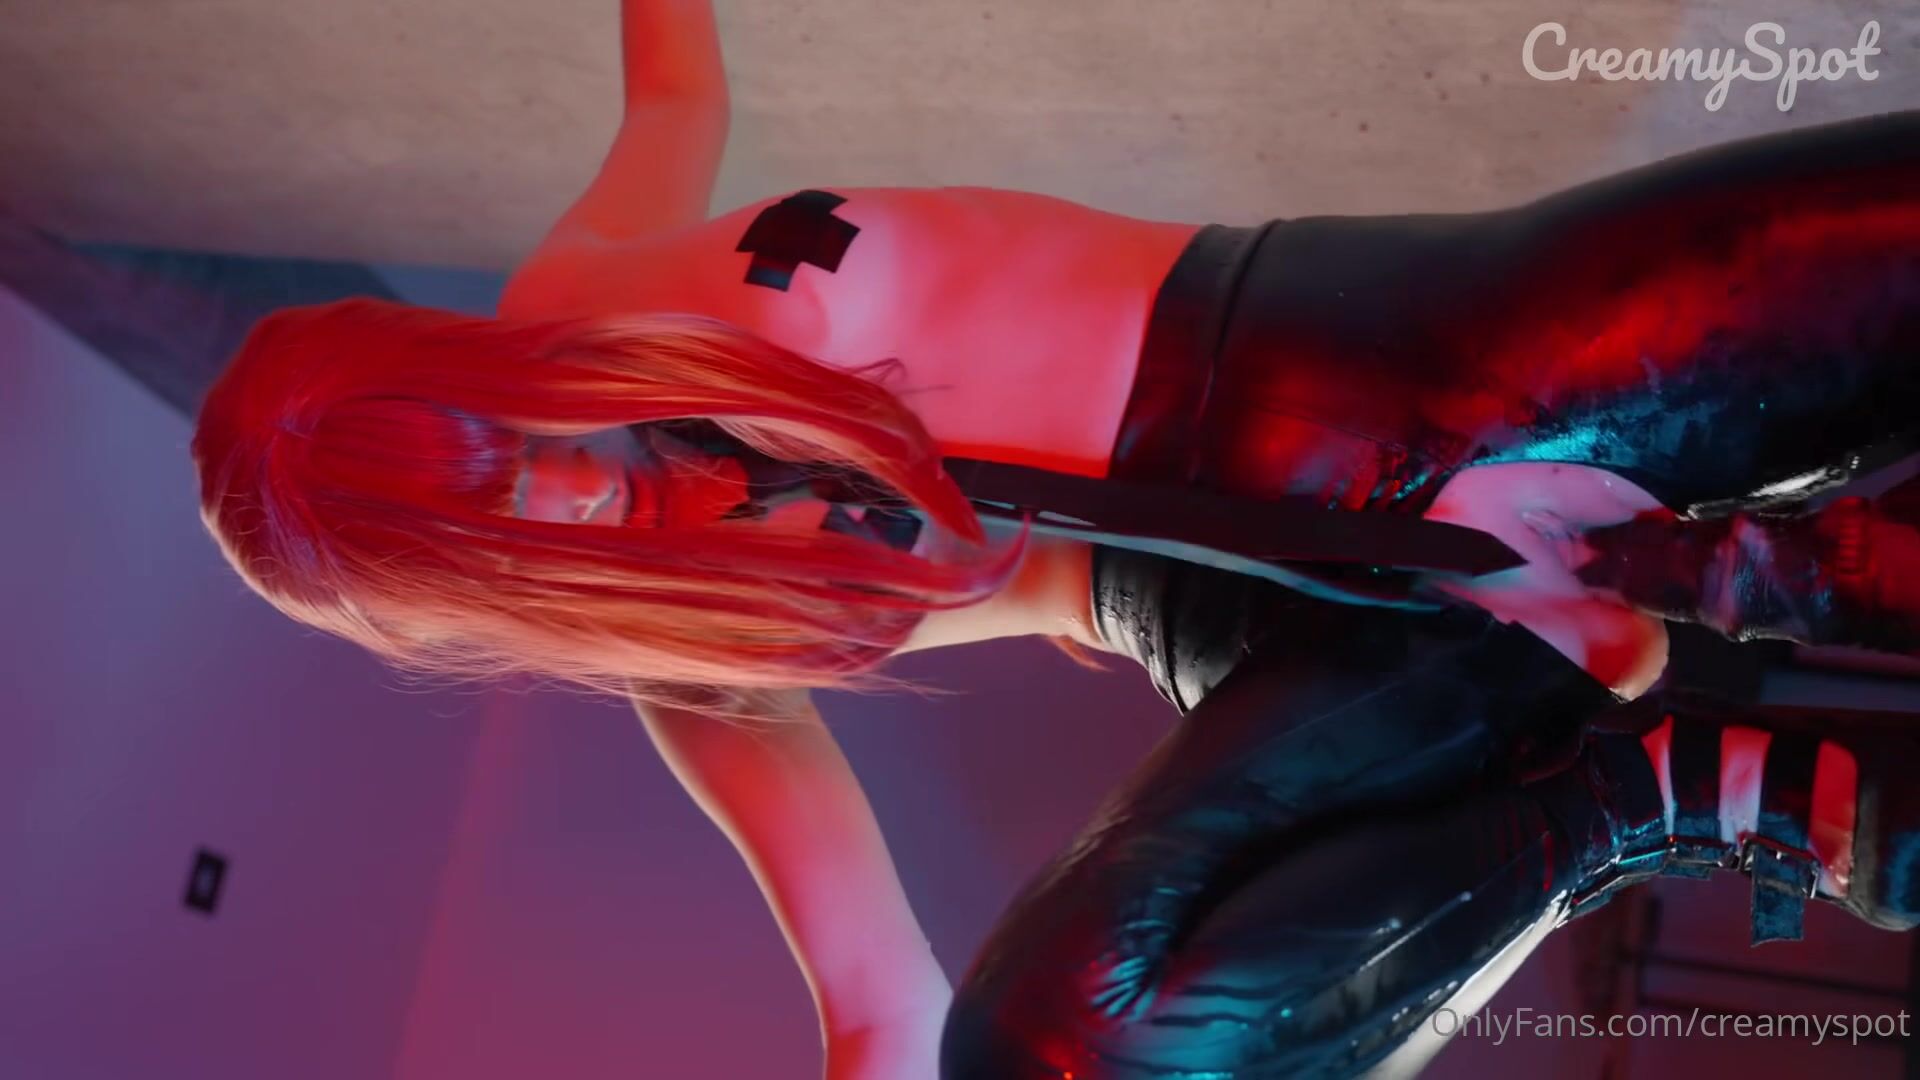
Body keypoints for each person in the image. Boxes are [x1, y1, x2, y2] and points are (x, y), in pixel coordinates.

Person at [187, 3, 1920, 1076]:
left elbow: (668, 100)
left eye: (509, 449)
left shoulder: (589, 289)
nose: (565, 498)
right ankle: (1669, 799)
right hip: (1324, 647)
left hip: (1363, 350)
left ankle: (1765, 581)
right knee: (1055, 1054)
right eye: (503, 536)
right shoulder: (693, 666)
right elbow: (875, 1004)